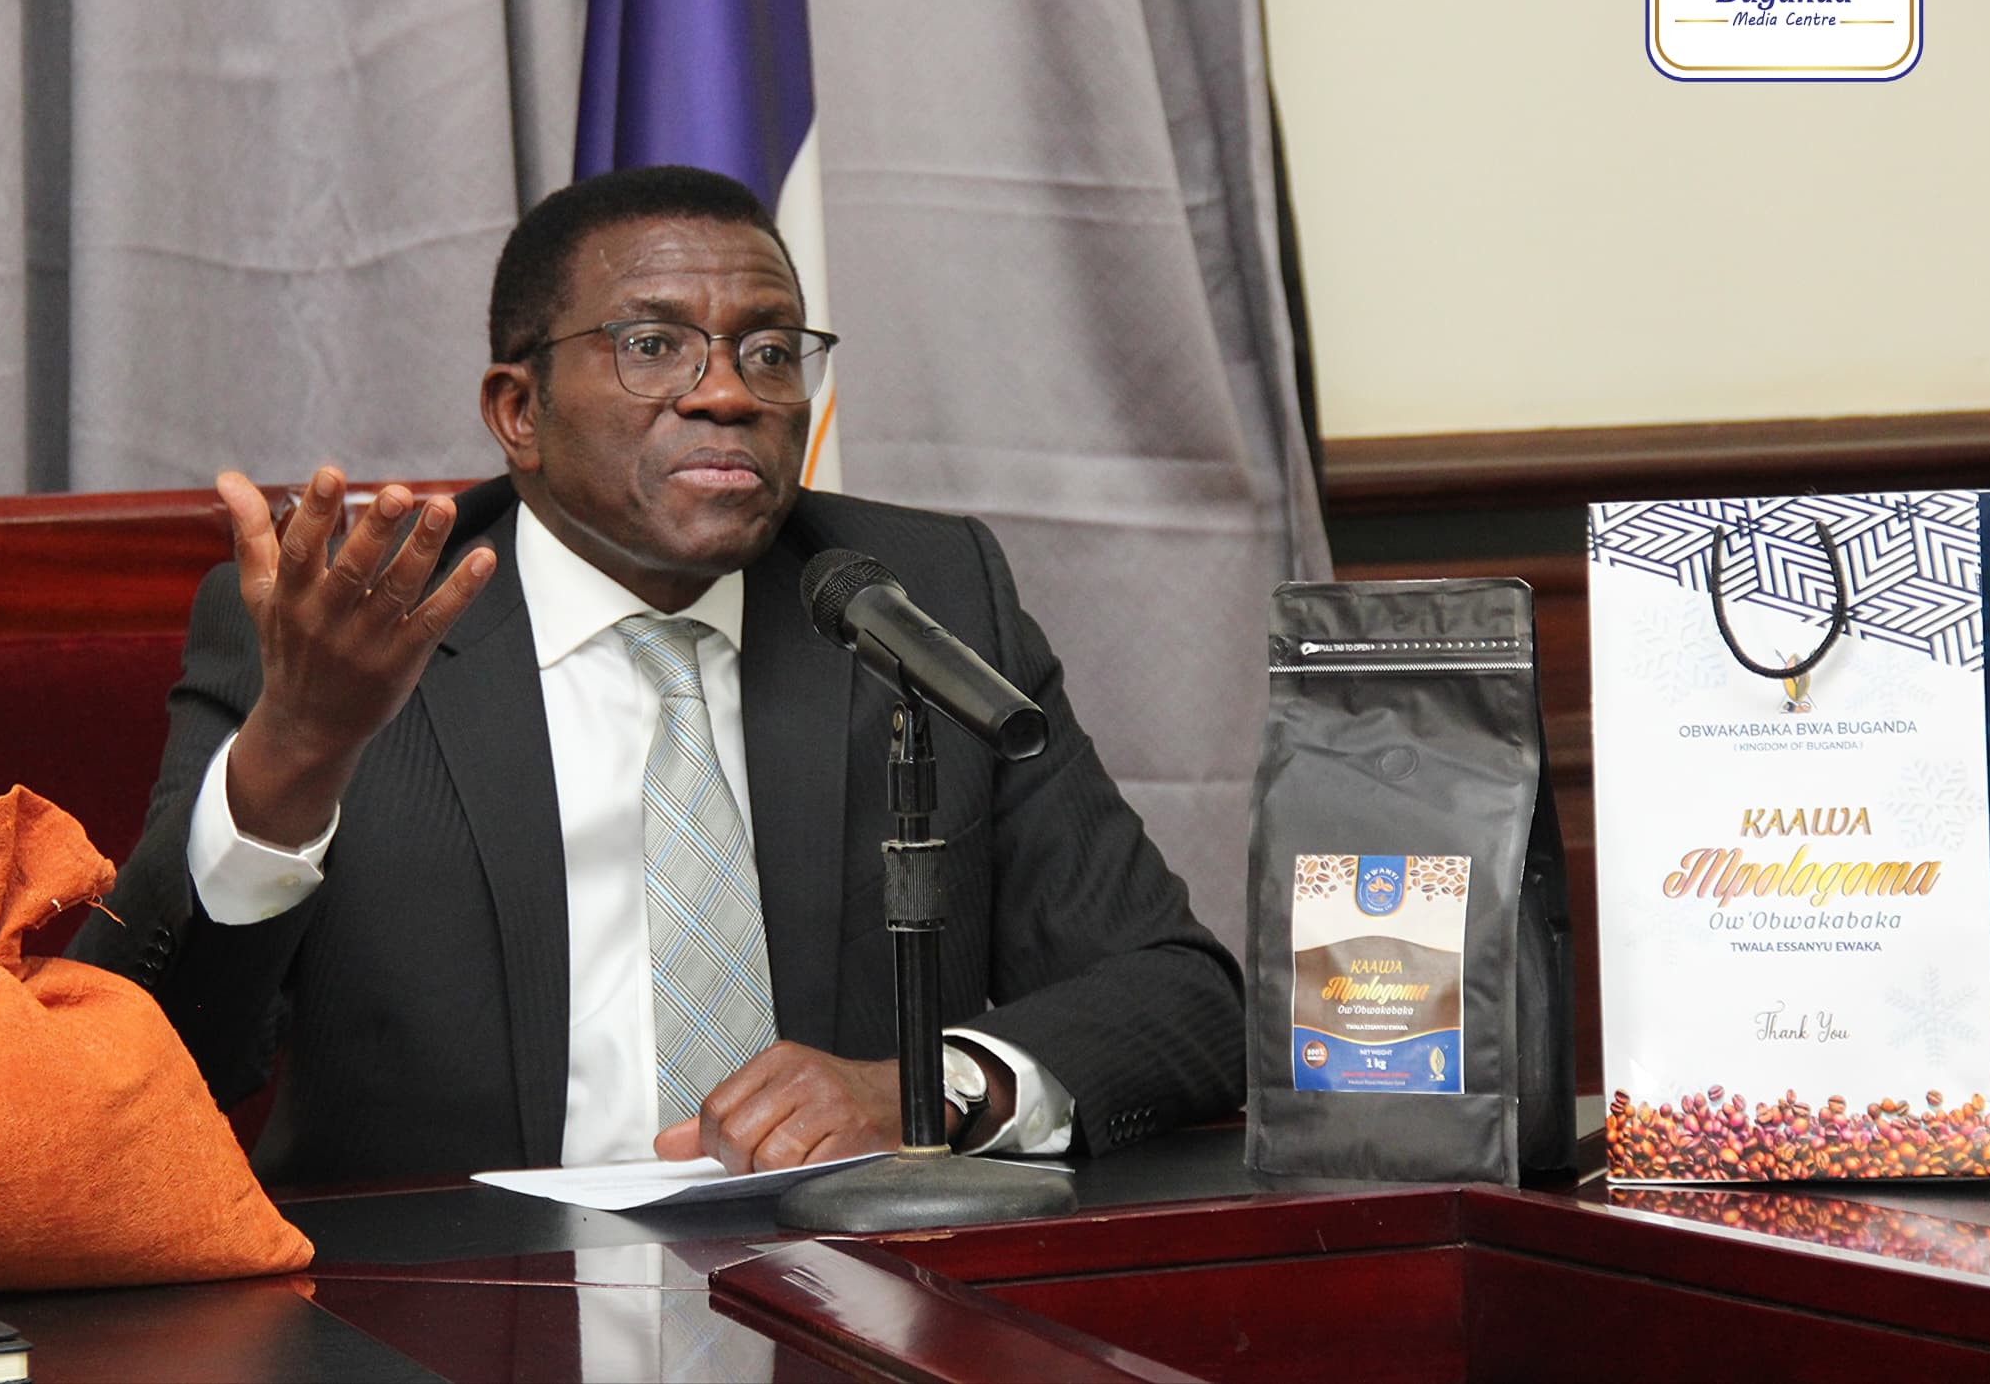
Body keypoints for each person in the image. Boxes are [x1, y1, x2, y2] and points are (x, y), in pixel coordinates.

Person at [72, 165, 1244, 1186]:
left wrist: (925, 1090)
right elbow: (144, 1062)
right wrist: (294, 756)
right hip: (455, 1300)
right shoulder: (344, 630)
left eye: (770, 350)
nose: (727, 391)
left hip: (846, 1287)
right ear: (518, 411)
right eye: (652, 345)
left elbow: (1181, 996)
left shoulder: (919, 597)